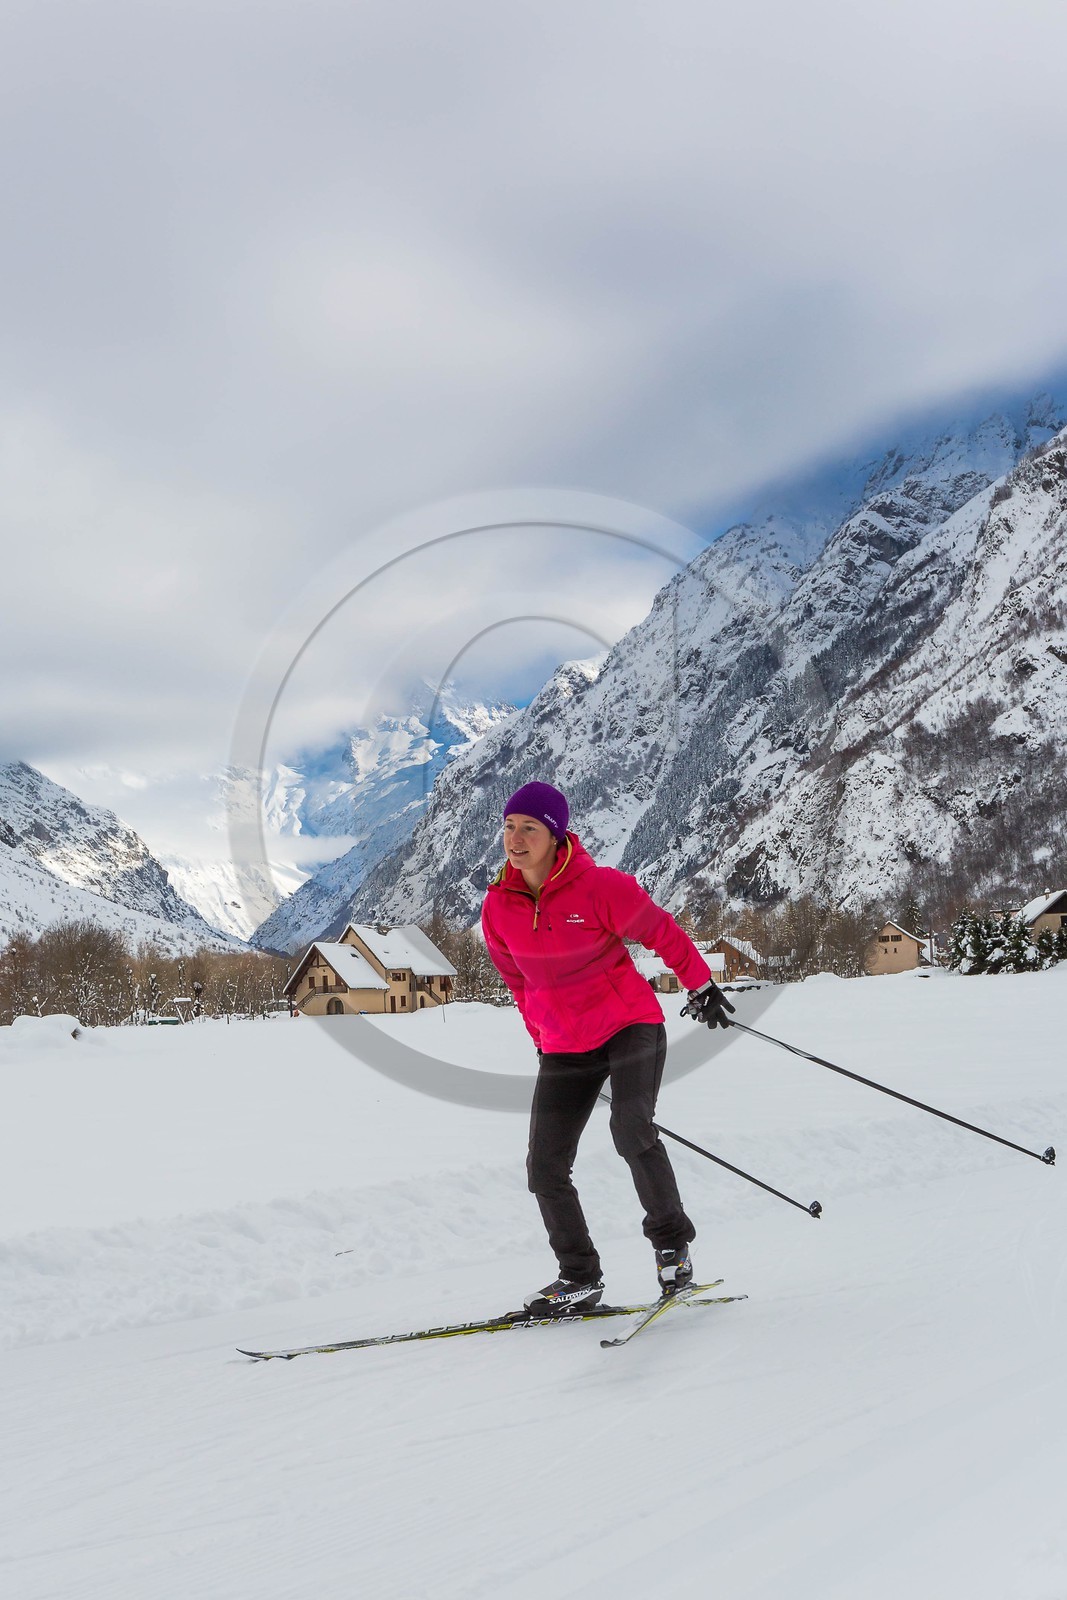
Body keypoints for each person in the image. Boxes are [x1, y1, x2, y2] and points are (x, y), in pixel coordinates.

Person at [481, 780, 735, 1315]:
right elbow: (519, 985)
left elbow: (661, 932)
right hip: (564, 1047)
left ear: (555, 836)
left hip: (629, 1026)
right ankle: (579, 1278)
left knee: (630, 1127)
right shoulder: (498, 907)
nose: (516, 838)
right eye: (509, 826)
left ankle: (672, 1249)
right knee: (544, 1168)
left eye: (530, 828)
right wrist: (541, 1040)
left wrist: (701, 985)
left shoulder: (599, 887)